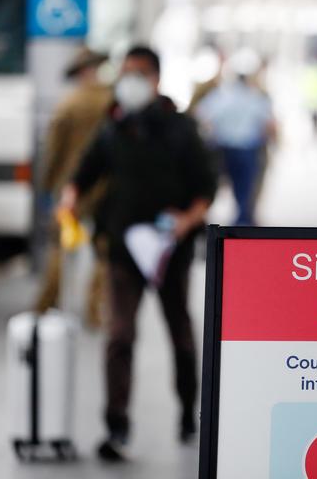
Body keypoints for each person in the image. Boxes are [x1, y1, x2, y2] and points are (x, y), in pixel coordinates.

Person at [58, 46, 218, 461]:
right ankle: (116, 425)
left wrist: (186, 221)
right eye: (125, 72)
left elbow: (206, 187)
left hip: (171, 251)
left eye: (139, 73)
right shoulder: (114, 125)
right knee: (119, 335)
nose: (130, 81)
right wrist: (70, 196)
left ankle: (188, 409)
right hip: (123, 249)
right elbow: (85, 170)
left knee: (180, 333)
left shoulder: (181, 129)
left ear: (156, 80)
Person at [35, 47, 112, 328]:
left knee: (61, 245)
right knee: (103, 250)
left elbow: (54, 151)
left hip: (71, 188)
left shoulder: (68, 104)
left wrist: (47, 186)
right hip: (106, 188)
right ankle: (95, 309)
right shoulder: (112, 102)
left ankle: (47, 303)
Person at [193, 48, 275, 226]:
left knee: (220, 189)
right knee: (244, 191)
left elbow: (202, 117)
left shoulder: (221, 96)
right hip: (247, 150)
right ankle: (243, 225)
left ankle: (233, 223)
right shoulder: (256, 98)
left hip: (224, 148)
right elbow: (269, 125)